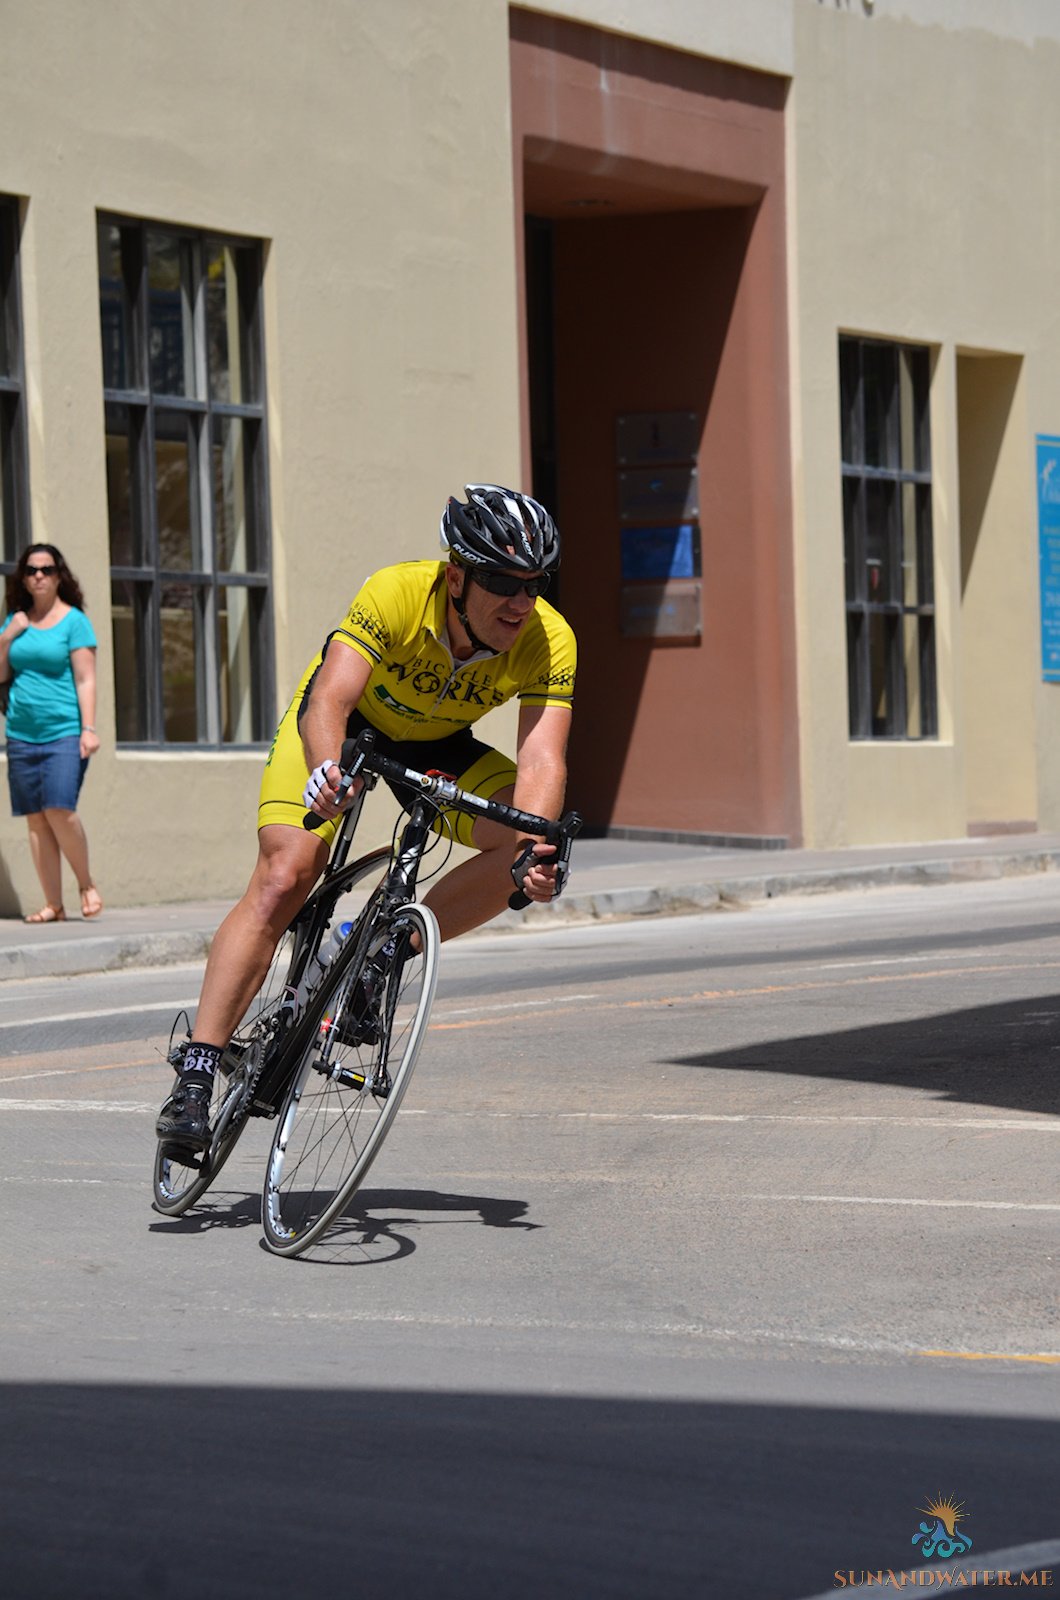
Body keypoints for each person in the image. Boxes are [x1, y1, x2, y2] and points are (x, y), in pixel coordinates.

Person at [156, 483, 576, 1151]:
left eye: (536, 582)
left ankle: (387, 949)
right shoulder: (397, 592)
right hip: (345, 728)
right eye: (503, 581)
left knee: (526, 844)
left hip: (438, 746)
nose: (523, 601)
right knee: (287, 872)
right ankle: (199, 1071)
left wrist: (536, 852)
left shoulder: (550, 639)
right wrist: (328, 774)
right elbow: (329, 700)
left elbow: (542, 760)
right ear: (457, 576)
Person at [0, 544, 103, 924]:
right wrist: (7, 635)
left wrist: (88, 729)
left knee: (60, 809)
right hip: (22, 733)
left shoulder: (74, 621)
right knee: (36, 819)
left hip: (64, 731)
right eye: (31, 570)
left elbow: (86, 678)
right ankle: (53, 904)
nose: (38, 576)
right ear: (23, 578)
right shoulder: (16, 620)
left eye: (46, 569)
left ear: (59, 575)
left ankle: (86, 884)